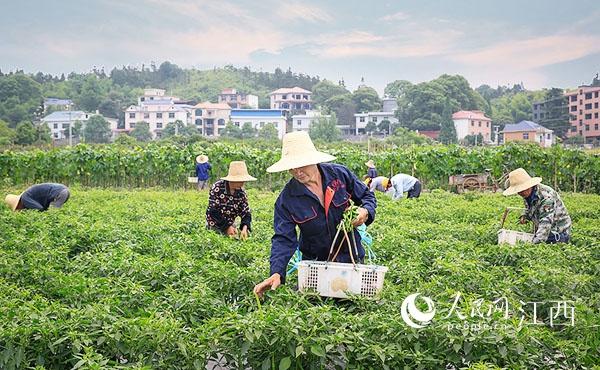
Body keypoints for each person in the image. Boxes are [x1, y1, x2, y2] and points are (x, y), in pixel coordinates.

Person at [253, 131, 377, 297]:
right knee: (314, 309)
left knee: (355, 304)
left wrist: (364, 211)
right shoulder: (287, 199)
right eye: (292, 167)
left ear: (312, 160)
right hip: (315, 265)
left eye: (301, 164)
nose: (297, 171)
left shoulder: (339, 175)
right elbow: (283, 238)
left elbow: (367, 196)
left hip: (351, 258)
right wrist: (276, 272)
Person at [502, 168, 571, 244]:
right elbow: (530, 208)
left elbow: (545, 224)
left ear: (529, 185)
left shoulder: (546, 197)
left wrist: (532, 245)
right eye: (518, 190)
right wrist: (525, 216)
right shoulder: (528, 194)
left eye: (522, 189)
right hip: (544, 232)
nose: (520, 193)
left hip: (558, 234)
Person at [206, 161, 255, 240]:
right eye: (240, 180)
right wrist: (227, 227)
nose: (243, 183)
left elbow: (246, 213)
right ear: (232, 180)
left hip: (231, 226)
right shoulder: (217, 188)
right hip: (215, 225)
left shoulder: (241, 193)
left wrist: (244, 228)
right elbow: (213, 211)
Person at [4, 183, 70, 212]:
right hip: (64, 191)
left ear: (18, 204)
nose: (20, 210)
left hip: (59, 193)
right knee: (53, 212)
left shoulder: (25, 199)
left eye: (17, 208)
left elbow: (40, 209)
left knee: (52, 215)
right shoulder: (27, 195)